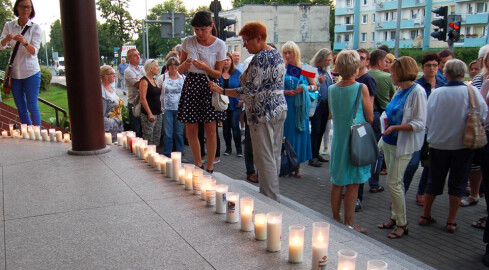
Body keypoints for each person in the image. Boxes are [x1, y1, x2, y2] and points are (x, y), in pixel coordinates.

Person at [209, 21, 287, 201]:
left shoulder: (260, 58)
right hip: (279, 109)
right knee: (274, 155)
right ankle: (273, 194)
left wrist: (222, 91)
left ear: (258, 39)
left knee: (264, 157)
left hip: (263, 113)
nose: (244, 45)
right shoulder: (276, 54)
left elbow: (248, 90)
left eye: (246, 41)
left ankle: (270, 199)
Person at [421, 59, 487, 233]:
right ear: (463, 73)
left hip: (438, 144)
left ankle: (425, 214)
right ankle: (451, 220)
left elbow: (427, 120)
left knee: (434, 180)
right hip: (463, 145)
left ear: (446, 73)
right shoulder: (471, 91)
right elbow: (484, 115)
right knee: (457, 183)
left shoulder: (437, 93)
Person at [377, 56, 427, 239]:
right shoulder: (400, 90)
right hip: (390, 142)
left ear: (401, 72)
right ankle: (394, 217)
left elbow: (420, 123)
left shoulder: (418, 92)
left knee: (394, 183)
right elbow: (389, 110)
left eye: (393, 72)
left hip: (403, 145)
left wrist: (396, 127)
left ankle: (402, 223)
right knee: (393, 183)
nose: (390, 75)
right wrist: (386, 123)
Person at [328, 50, 373, 234]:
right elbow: (369, 117)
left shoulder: (332, 88)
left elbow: (332, 114)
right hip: (354, 141)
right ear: (355, 67)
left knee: (337, 182)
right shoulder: (360, 88)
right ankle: (349, 223)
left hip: (338, 141)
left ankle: (335, 219)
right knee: (353, 184)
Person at [177, 11, 226, 173]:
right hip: (191, 83)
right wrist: (186, 64)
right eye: (196, 30)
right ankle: (198, 163)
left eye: (203, 30)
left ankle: (210, 166)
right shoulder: (188, 42)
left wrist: (204, 67)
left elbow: (219, 73)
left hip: (210, 85)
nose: (199, 33)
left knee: (210, 128)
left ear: (211, 27)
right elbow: (180, 69)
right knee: (191, 127)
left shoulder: (220, 44)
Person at [410, 53, 445, 206]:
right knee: (413, 163)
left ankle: (422, 191)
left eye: (435, 65)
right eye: (428, 65)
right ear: (423, 67)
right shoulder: (418, 85)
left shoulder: (442, 83)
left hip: (436, 129)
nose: (432, 68)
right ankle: (401, 192)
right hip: (420, 129)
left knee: (430, 164)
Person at [0, 0, 41, 126]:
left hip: (31, 72)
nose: (25, 10)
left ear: (31, 9)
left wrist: (24, 42)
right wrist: (7, 38)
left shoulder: (35, 27)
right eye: (23, 7)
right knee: (21, 107)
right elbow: (1, 46)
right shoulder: (9, 25)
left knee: (32, 105)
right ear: (17, 8)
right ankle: (28, 133)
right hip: (15, 73)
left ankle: (38, 135)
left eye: (28, 7)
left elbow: (34, 51)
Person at [281, 41, 316, 177]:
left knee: (299, 135)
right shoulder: (282, 68)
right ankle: (287, 164)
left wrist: (305, 88)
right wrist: (285, 92)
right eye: (285, 52)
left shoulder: (306, 67)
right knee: (287, 136)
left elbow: (315, 87)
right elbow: (275, 89)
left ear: (296, 52)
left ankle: (298, 167)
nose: (288, 55)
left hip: (300, 108)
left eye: (290, 52)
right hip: (286, 106)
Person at [355, 48, 378, 211]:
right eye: (356, 58)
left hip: (361, 125)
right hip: (352, 125)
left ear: (367, 62)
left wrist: (365, 124)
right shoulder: (352, 79)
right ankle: (351, 192)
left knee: (359, 160)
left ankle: (357, 197)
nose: (359, 61)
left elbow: (369, 106)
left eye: (362, 58)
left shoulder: (367, 80)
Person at [309, 48, 333, 168]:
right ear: (320, 59)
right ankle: (312, 156)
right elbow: (308, 84)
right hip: (316, 104)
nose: (329, 62)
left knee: (322, 129)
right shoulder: (310, 69)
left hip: (325, 104)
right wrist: (318, 82)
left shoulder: (327, 70)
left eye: (329, 60)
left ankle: (316, 153)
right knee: (316, 129)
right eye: (327, 60)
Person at [157, 56, 185, 156]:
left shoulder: (183, 78)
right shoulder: (162, 78)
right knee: (168, 133)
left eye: (176, 64)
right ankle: (167, 154)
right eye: (171, 64)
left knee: (179, 133)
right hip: (167, 109)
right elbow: (159, 93)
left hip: (180, 109)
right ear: (167, 66)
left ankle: (180, 154)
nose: (173, 67)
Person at [221, 52, 243, 157]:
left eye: (228, 59)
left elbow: (243, 88)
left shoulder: (237, 73)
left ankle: (239, 149)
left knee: (235, 126)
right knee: (225, 128)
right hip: (223, 105)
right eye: (224, 59)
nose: (226, 62)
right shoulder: (218, 73)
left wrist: (241, 99)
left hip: (235, 103)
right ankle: (228, 148)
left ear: (231, 61)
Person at [139, 59, 163, 146]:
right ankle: (148, 155)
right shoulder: (144, 80)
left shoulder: (154, 80)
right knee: (148, 136)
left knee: (157, 136)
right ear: (151, 68)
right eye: (156, 66)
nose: (158, 68)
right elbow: (143, 98)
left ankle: (154, 155)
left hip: (158, 112)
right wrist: (149, 113)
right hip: (149, 113)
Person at [124, 48, 145, 137]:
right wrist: (146, 82)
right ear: (129, 58)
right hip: (134, 104)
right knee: (136, 131)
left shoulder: (142, 69)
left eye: (138, 54)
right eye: (135, 55)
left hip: (143, 102)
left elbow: (145, 82)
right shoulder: (128, 71)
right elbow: (139, 85)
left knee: (144, 129)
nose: (138, 57)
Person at [100, 65, 124, 140]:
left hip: (118, 125)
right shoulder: (102, 92)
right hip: (109, 129)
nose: (115, 75)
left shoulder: (111, 88)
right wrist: (111, 124)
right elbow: (101, 114)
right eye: (113, 74)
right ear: (106, 76)